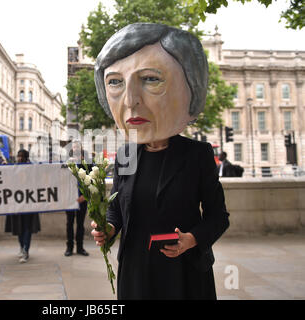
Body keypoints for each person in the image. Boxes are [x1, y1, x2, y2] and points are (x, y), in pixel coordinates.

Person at [91, 23, 230, 299]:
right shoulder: (125, 155)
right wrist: (108, 229)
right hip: (136, 273)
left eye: (151, 79)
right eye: (115, 82)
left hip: (184, 273)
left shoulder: (197, 155)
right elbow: (118, 209)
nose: (131, 101)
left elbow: (218, 217)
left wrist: (191, 240)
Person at [5, 149, 41, 263]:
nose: (20, 158)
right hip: (17, 203)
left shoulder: (32, 169)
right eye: (18, 156)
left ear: (26, 157)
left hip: (29, 203)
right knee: (19, 228)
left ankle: (26, 250)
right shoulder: (14, 169)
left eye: (22, 156)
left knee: (27, 228)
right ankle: (22, 247)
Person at [65, 141, 90, 257]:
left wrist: (85, 195)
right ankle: (69, 247)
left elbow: (92, 179)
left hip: (82, 199)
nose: (75, 149)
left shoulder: (87, 163)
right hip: (70, 199)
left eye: (77, 147)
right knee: (69, 223)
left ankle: (80, 247)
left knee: (80, 224)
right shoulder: (67, 163)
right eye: (74, 147)